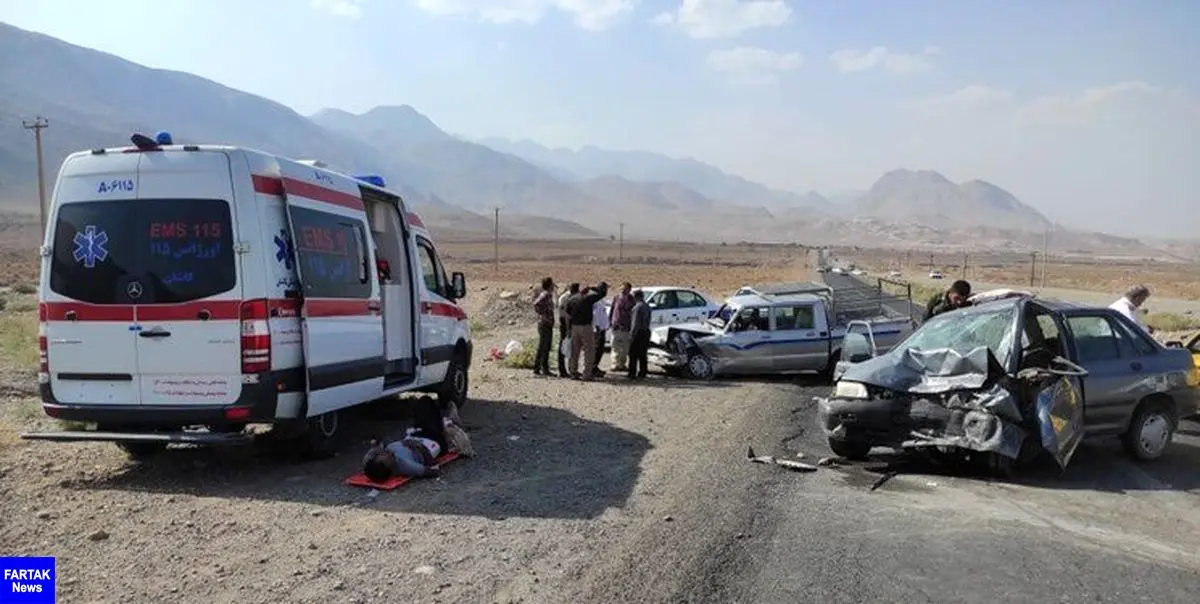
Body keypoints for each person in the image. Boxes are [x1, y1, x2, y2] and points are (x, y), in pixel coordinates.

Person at [567, 282, 608, 380]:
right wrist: (594, 288)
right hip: (585, 327)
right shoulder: (587, 299)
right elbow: (601, 295)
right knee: (589, 351)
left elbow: (568, 312)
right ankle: (587, 374)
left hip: (574, 326)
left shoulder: (572, 299)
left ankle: (573, 372)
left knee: (575, 351)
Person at [532, 277, 556, 376]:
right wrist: (543, 315)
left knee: (547, 346)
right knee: (543, 346)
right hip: (544, 323)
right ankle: (537, 368)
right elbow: (536, 304)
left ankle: (544, 368)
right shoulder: (545, 295)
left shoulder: (549, 295)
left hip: (548, 323)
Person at [608, 282, 634, 372]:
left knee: (625, 348)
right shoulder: (616, 298)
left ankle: (622, 364)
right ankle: (614, 364)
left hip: (626, 327)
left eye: (625, 288)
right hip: (616, 327)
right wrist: (610, 322)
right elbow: (612, 310)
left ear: (629, 289)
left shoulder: (631, 299)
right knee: (615, 346)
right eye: (621, 288)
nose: (623, 290)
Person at [556, 283, 579, 377]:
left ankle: (571, 369)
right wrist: (568, 328)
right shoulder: (564, 298)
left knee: (572, 346)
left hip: (571, 323)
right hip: (565, 323)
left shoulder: (573, 296)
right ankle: (562, 370)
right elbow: (564, 314)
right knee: (563, 345)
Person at [627, 289, 652, 379]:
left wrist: (631, 335)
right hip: (646, 331)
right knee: (643, 354)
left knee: (633, 354)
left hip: (638, 332)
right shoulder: (647, 306)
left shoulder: (637, 308)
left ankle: (632, 373)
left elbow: (635, 323)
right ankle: (643, 372)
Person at [592, 295, 611, 377]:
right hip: (598, 329)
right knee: (597, 349)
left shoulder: (601, 301)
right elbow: (596, 315)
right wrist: (597, 327)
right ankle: (593, 368)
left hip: (602, 329)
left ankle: (595, 367)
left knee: (600, 349)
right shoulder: (596, 303)